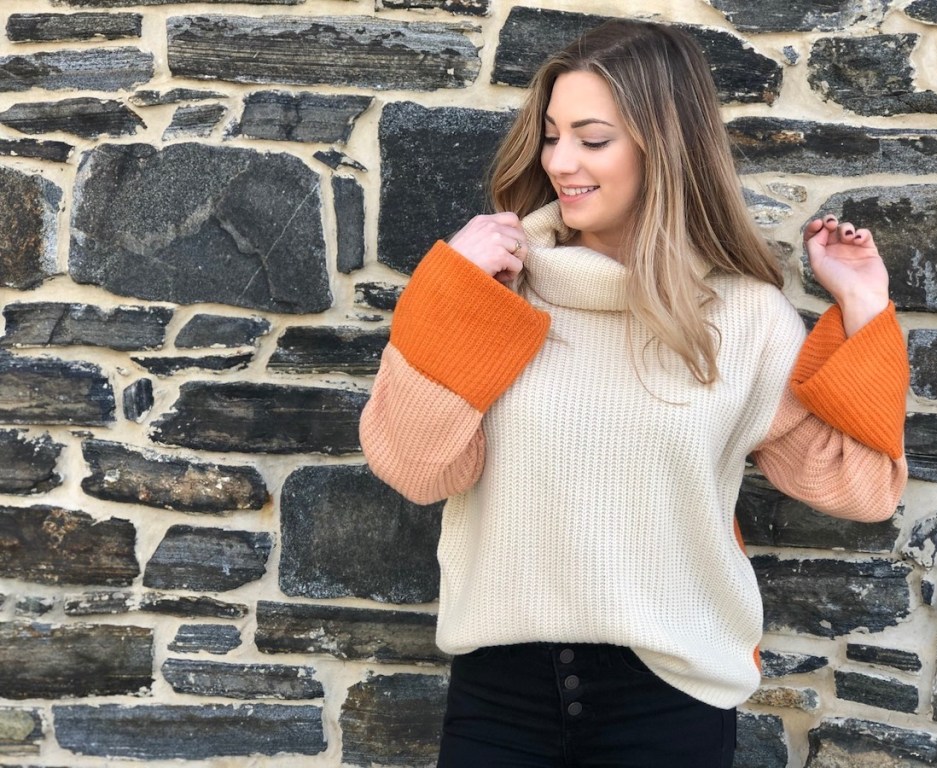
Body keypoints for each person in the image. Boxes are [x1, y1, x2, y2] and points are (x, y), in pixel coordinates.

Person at [359, 18, 908, 768]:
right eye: (552, 135)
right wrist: (452, 293)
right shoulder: (497, 288)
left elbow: (865, 487)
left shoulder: (742, 317)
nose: (560, 162)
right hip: (501, 693)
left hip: (666, 700)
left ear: (663, 146)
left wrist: (865, 305)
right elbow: (417, 470)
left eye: (592, 139)